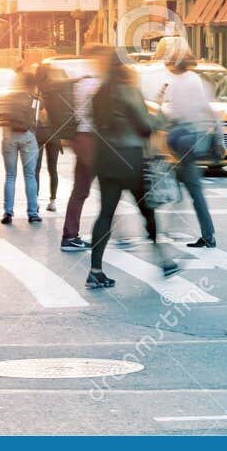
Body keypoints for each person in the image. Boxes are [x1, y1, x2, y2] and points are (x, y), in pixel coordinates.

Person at [86, 50, 180, 289]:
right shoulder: (129, 91)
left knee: (105, 214)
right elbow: (145, 128)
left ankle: (95, 270)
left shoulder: (99, 94)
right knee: (147, 211)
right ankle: (165, 260)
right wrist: (160, 115)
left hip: (106, 159)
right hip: (130, 159)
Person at [157, 48, 217, 249]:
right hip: (192, 139)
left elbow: (171, 112)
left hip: (180, 141)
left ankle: (205, 235)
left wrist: (160, 105)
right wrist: (218, 138)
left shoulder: (176, 83)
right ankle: (205, 234)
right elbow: (205, 108)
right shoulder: (195, 79)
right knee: (189, 187)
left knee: (191, 189)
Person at [60, 48, 104, 252]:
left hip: (81, 138)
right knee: (109, 188)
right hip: (93, 141)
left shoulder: (79, 83)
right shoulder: (95, 84)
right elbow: (99, 115)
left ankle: (70, 235)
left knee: (79, 190)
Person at [1, 69, 43, 225]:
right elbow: (37, 121)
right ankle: (32, 213)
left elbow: (3, 119)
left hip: (9, 137)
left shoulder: (8, 98)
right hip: (28, 138)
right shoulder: (34, 99)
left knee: (10, 176)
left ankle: (8, 213)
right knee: (30, 176)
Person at [32, 61, 67, 212]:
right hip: (54, 133)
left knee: (36, 169)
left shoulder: (35, 91)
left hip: (38, 132)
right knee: (53, 169)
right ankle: (52, 201)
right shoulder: (56, 91)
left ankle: (35, 201)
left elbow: (32, 112)